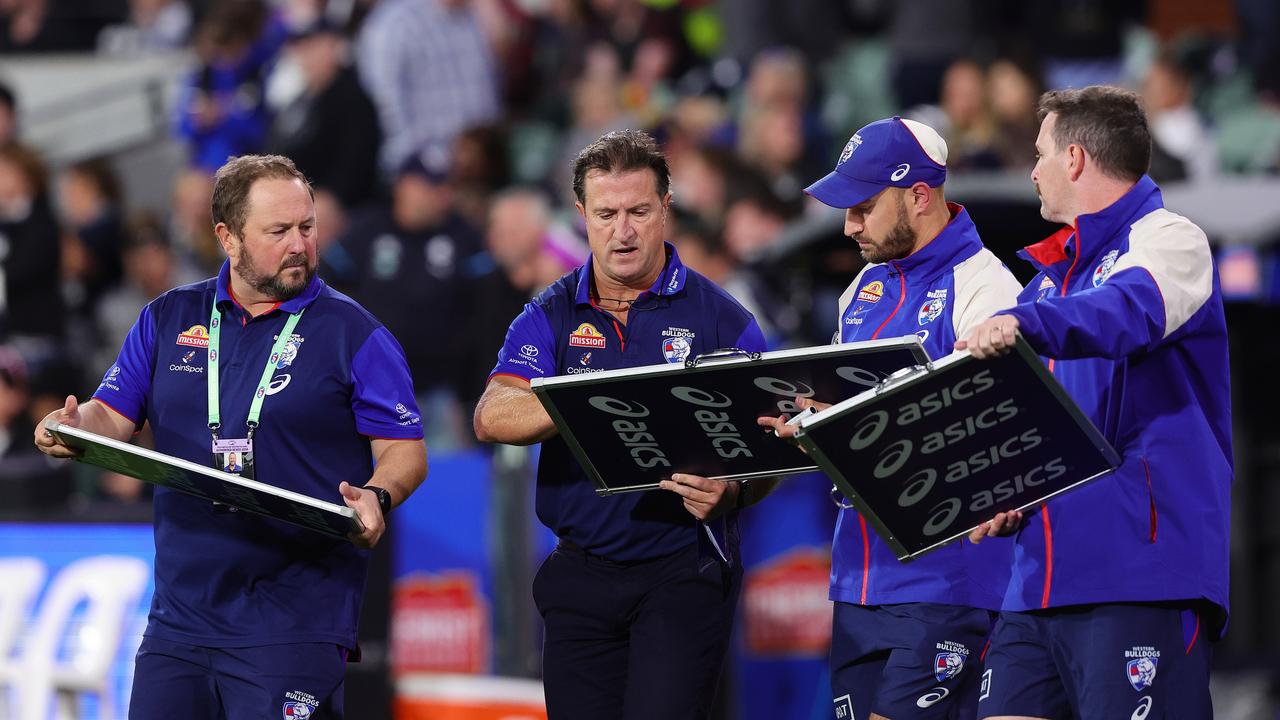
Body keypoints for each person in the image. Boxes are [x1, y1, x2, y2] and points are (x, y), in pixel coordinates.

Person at [34, 154, 428, 719]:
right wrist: (74, 426)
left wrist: (379, 494)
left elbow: (405, 450)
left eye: (307, 227)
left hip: (295, 621)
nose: (299, 245)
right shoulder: (167, 317)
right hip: (180, 622)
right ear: (228, 237)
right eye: (279, 231)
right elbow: (113, 417)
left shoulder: (356, 334)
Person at [473, 129, 769, 719]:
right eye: (606, 213)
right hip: (579, 571)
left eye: (638, 211)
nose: (623, 230)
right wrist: (587, 399)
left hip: (682, 568)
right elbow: (492, 414)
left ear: (666, 206)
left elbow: (767, 449)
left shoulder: (723, 319)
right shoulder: (550, 312)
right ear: (581, 214)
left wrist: (733, 489)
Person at [958, 85, 1229, 720]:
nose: (1032, 170)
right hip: (1036, 582)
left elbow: (1127, 312)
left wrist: (1030, 324)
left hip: (1137, 571)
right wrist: (1002, 489)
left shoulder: (1169, 239)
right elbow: (1017, 421)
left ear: (1075, 160)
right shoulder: (1046, 283)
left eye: (1041, 153)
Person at [760, 116, 1022, 720]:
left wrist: (853, 426)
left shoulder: (987, 288)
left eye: (863, 207)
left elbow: (993, 433)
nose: (848, 225)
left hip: (948, 582)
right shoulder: (860, 290)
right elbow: (848, 425)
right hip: (856, 580)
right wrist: (814, 430)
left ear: (920, 196)